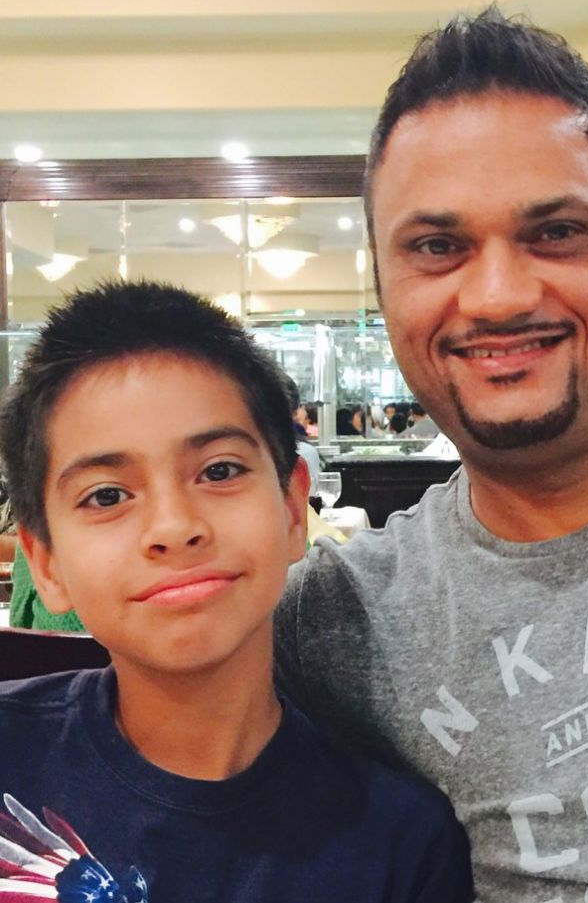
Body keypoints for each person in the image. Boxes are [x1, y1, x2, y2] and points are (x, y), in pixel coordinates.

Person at [275, 5, 588, 903]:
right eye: (438, 247)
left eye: (555, 232)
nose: (496, 296)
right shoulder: (333, 625)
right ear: (384, 287)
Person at [0, 280, 472, 902]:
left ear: (293, 510)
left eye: (219, 471)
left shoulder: (399, 841)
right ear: (46, 563)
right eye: (107, 495)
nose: (174, 528)